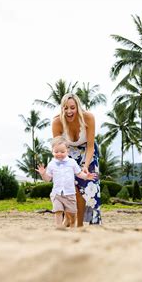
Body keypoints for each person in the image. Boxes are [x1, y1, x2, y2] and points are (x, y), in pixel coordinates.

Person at [51, 93, 101, 226]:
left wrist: (85, 165)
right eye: (65, 108)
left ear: (78, 107)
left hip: (88, 151)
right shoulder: (57, 122)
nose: (69, 111)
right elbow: (57, 148)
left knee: (86, 186)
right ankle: (68, 218)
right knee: (70, 186)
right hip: (67, 152)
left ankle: (79, 224)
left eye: (72, 108)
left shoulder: (88, 118)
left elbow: (90, 146)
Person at [36, 136, 97, 228]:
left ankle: (72, 223)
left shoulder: (72, 162)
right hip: (57, 193)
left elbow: (79, 173)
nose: (59, 154)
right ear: (52, 151)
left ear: (67, 151)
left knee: (72, 213)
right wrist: (43, 174)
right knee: (58, 211)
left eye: (62, 152)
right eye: (56, 152)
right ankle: (59, 227)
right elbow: (48, 179)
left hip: (70, 194)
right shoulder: (51, 164)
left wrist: (86, 176)